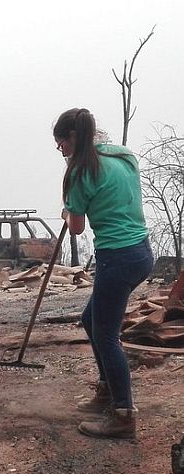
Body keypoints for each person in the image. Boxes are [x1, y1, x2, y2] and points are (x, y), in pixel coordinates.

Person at [54, 108, 153, 440]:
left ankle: (123, 415)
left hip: (117, 257)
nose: (60, 150)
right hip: (141, 252)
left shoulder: (81, 172)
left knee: (108, 336)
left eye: (60, 143)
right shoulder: (122, 155)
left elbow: (77, 228)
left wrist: (68, 211)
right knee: (89, 319)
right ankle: (106, 391)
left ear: (73, 136)